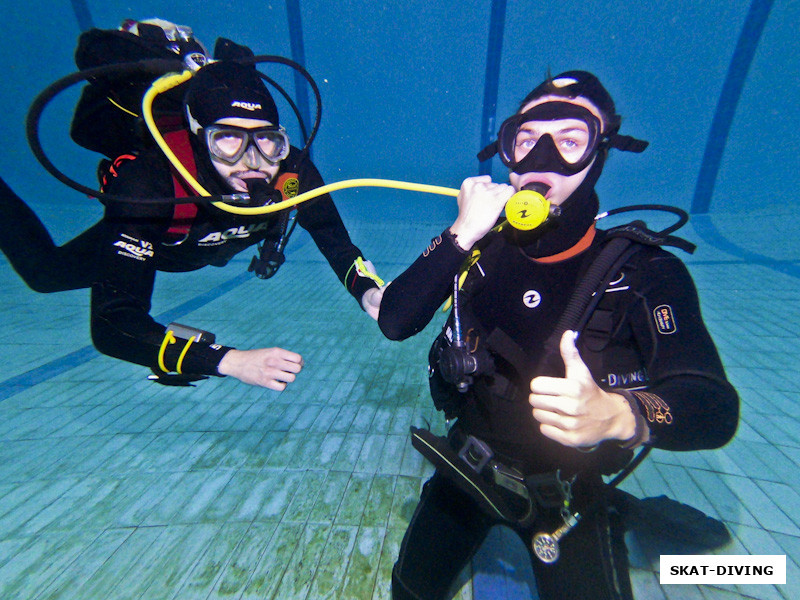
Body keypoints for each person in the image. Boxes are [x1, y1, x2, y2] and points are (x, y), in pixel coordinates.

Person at [376, 71, 739, 599]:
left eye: (571, 140)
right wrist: (460, 233)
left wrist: (624, 415)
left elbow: (712, 406)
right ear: (507, 153)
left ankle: (620, 512)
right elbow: (395, 319)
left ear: (601, 154)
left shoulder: (640, 271)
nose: (543, 157)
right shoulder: (476, 247)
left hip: (568, 491)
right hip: (469, 469)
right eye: (525, 139)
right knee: (408, 591)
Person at [0, 57, 382, 390]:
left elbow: (332, 237)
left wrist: (367, 291)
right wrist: (229, 361)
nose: (252, 161)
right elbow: (113, 323)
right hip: (159, 245)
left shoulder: (291, 171)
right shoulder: (150, 186)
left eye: (267, 141)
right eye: (228, 140)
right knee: (44, 274)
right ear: (200, 139)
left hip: (196, 248)